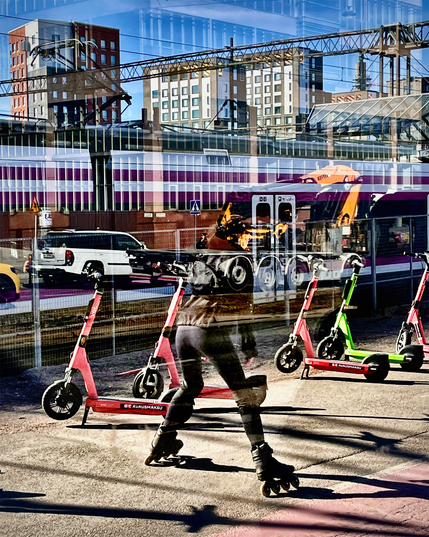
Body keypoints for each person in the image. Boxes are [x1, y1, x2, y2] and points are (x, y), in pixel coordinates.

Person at [145, 228, 299, 496]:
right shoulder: (239, 262)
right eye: (244, 236)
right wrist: (248, 343)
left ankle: (163, 438)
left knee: (191, 385)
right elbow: (243, 307)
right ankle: (263, 459)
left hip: (184, 327)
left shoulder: (206, 256)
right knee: (244, 395)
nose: (247, 240)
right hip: (209, 329)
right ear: (236, 238)